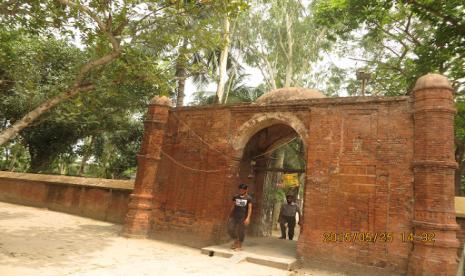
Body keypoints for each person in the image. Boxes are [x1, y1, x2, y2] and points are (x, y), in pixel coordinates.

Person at [228, 183, 253, 250]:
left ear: (246, 190)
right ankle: (236, 239)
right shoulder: (236, 197)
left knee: (241, 230)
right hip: (234, 216)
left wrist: (248, 218)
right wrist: (230, 214)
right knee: (230, 228)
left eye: (242, 189)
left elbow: (250, 208)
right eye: (240, 189)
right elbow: (233, 206)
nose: (241, 191)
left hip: (243, 217)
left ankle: (240, 244)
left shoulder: (249, 198)